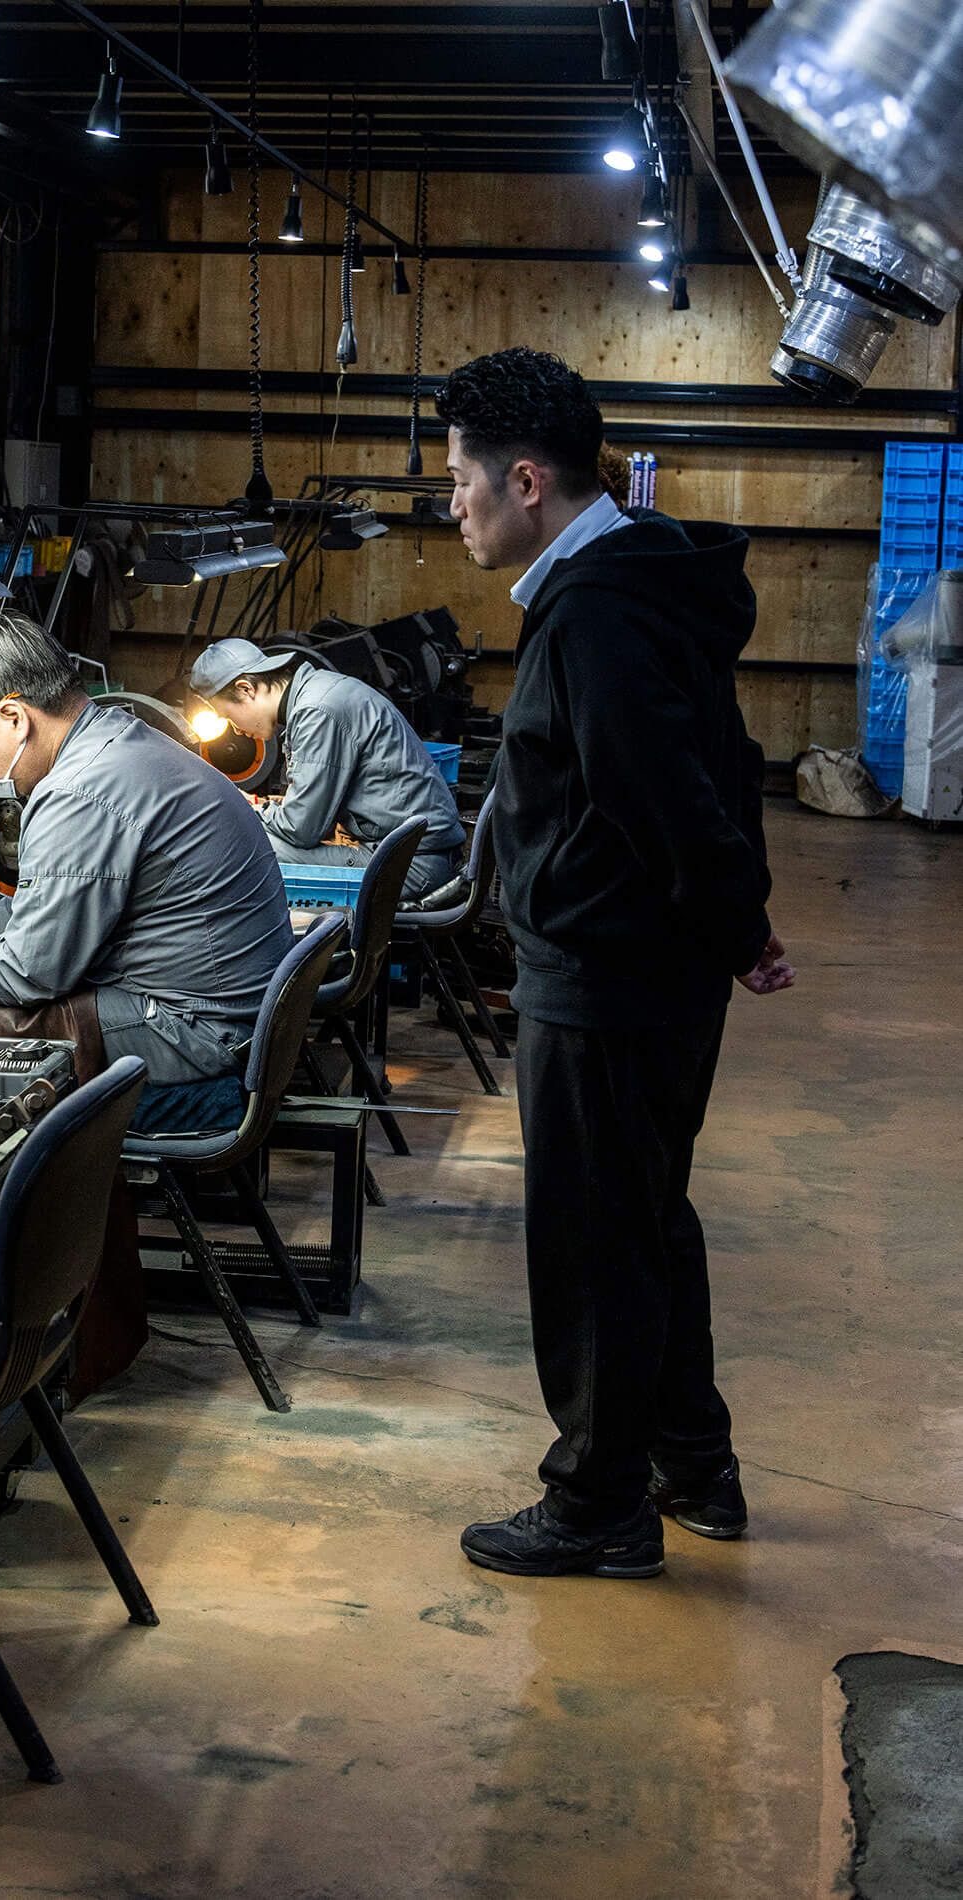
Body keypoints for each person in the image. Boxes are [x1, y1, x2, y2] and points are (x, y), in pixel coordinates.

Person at [438, 346, 794, 1580]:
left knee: (593, 1242)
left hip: (607, 976)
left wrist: (737, 921)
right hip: (652, 969)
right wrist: (734, 925)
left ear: (526, 480)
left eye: (462, 483)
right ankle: (693, 1464)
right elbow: (716, 767)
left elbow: (665, 792)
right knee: (646, 1221)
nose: (454, 508)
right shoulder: (644, 584)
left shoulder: (593, 612)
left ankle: (597, 1503)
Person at [0, 611, 294, 1089]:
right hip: (228, 1013)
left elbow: (27, 972)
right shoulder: (116, 737)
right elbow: (56, 919)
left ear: (13, 719)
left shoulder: (77, 793)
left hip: (195, 1035)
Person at [188, 636, 467, 900]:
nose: (235, 729)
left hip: (410, 867)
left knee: (242, 845)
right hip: (407, 853)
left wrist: (252, 810)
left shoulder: (317, 710)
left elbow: (302, 829)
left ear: (245, 689)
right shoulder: (318, 691)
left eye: (228, 716)